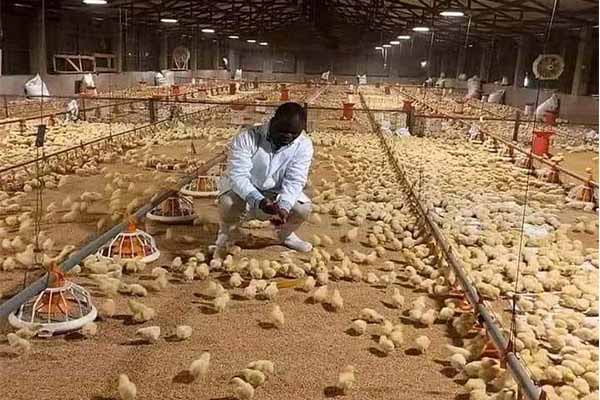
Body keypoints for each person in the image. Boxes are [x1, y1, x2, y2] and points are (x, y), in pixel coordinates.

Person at [214, 102, 314, 256]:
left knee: (302, 209)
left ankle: (285, 234)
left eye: (293, 133)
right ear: (273, 121)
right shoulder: (247, 137)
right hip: (246, 192)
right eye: (282, 131)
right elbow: (238, 176)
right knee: (228, 203)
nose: (287, 136)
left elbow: (295, 180)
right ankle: (227, 233)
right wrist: (258, 200)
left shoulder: (303, 145)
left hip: (275, 193)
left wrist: (284, 206)